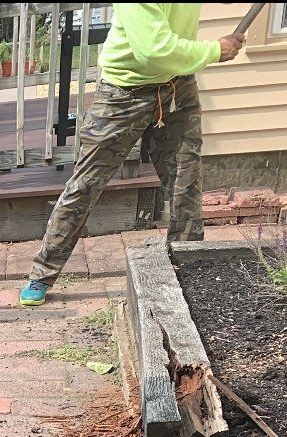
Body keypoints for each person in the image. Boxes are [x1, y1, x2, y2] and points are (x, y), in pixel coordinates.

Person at [20, 3, 247, 307]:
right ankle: (42, 273)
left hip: (177, 87)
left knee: (186, 184)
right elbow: (153, 50)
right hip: (123, 93)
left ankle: (189, 274)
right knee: (86, 185)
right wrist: (216, 50)